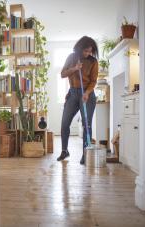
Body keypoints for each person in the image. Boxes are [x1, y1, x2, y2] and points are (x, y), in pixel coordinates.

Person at [57, 36, 98, 164]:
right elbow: (63, 74)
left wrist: (86, 92)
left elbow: (93, 81)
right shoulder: (72, 57)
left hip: (87, 94)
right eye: (85, 51)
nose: (87, 53)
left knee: (87, 125)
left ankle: (86, 154)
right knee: (64, 124)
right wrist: (75, 68)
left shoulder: (93, 61)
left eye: (90, 51)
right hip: (73, 93)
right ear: (80, 49)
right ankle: (64, 151)